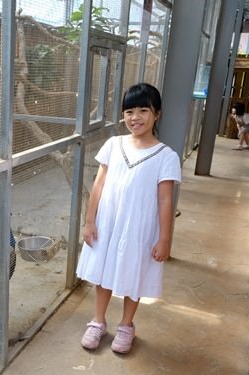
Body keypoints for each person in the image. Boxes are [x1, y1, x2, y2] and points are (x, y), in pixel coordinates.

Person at [76, 83, 182, 354]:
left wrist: (165, 239)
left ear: (157, 114)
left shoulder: (166, 156)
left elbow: (165, 199)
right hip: (108, 223)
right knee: (104, 272)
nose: (135, 117)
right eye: (129, 111)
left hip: (140, 228)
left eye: (143, 110)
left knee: (133, 273)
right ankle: (98, 321)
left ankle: (126, 325)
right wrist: (90, 221)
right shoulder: (114, 144)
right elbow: (99, 184)